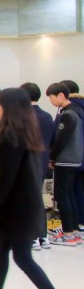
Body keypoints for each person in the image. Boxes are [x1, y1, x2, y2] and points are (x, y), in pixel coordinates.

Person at [0, 88, 75, 289]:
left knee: (23, 258)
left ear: (9, 107)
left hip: (15, 209)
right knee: (1, 250)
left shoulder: (9, 136)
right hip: (22, 205)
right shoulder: (27, 133)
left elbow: (3, 177)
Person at [46, 82, 84, 246]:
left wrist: (51, 157)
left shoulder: (68, 114)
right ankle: (74, 231)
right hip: (75, 160)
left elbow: (61, 140)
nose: (51, 101)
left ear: (61, 95)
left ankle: (68, 234)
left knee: (62, 197)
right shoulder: (78, 110)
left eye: (51, 98)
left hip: (65, 161)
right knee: (70, 195)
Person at [21, 82, 55, 249]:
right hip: (42, 162)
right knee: (37, 199)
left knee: (28, 200)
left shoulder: (23, 116)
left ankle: (33, 237)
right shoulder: (47, 116)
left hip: (27, 163)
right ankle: (43, 236)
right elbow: (52, 140)